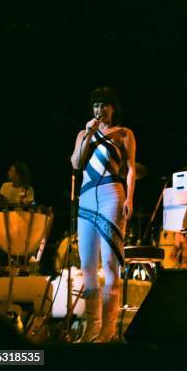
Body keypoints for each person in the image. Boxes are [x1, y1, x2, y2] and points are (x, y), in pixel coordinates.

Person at [70, 86, 136, 342]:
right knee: (87, 266)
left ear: (113, 107)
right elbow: (76, 163)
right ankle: (91, 325)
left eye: (104, 105)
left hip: (111, 193)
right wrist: (87, 133)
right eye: (96, 106)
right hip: (86, 196)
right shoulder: (83, 133)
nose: (100, 110)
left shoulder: (124, 134)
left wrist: (130, 197)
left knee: (109, 262)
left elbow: (131, 168)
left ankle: (109, 326)